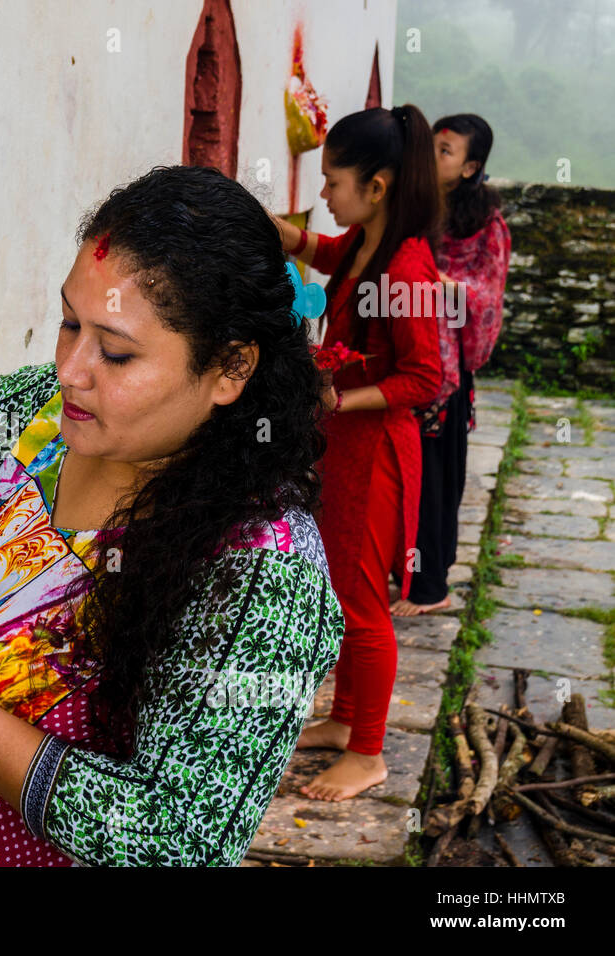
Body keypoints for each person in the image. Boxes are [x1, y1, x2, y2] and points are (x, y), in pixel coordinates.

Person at [0, 164, 344, 866]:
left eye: (117, 352)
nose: (70, 368)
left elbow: (177, 839)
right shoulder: (50, 426)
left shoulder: (262, 574)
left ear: (230, 368)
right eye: (69, 324)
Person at [274, 105, 443, 801]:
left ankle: (369, 753)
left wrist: (342, 397)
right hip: (344, 450)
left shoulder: (406, 267)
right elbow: (324, 252)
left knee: (366, 606)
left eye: (334, 181)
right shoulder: (368, 243)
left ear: (377, 185)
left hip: (376, 456)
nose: (324, 195)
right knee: (341, 593)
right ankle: (345, 721)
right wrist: (259, 225)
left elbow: (426, 379)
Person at [392, 113, 511, 616]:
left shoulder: (487, 225)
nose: (433, 156)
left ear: (470, 168)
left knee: (436, 477)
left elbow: (489, 294)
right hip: (407, 355)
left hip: (445, 373)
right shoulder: (415, 207)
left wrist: (445, 286)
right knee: (401, 470)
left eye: (446, 150)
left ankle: (429, 585)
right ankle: (398, 569)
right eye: (432, 146)